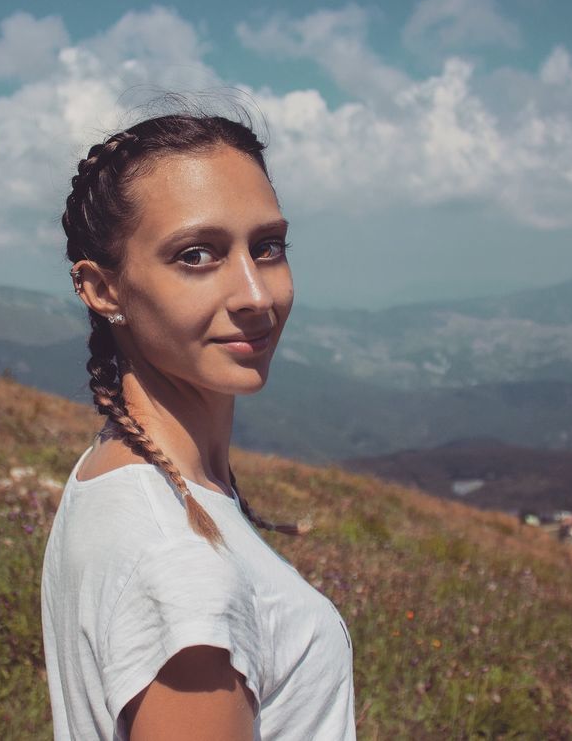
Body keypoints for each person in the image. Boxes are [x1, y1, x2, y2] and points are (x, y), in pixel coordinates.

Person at [41, 111, 356, 740]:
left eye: (267, 247)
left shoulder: (111, 473)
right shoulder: (184, 570)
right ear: (102, 290)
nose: (255, 295)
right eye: (196, 255)